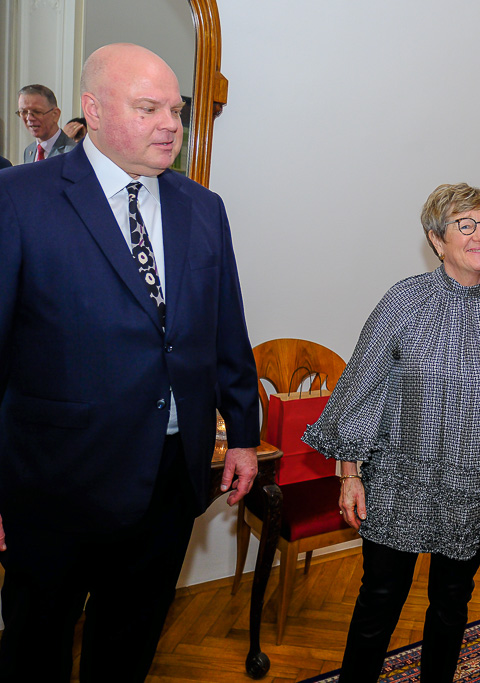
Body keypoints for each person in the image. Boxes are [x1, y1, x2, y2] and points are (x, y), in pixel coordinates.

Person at [0, 43, 260, 682]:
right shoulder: (19, 198)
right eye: (149, 109)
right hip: (54, 481)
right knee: (36, 648)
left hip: (169, 480)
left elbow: (226, 332)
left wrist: (243, 437)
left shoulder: (204, 208)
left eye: (176, 110)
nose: (171, 124)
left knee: (129, 645)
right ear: (93, 109)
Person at [303, 182, 480, 682]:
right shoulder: (403, 301)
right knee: (379, 603)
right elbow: (359, 392)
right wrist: (349, 476)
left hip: (473, 493)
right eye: (466, 225)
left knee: (451, 604)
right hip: (397, 488)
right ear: (437, 240)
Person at [16, 84, 76, 163]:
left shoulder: (72, 152)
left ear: (55, 114)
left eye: (37, 112)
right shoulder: (29, 151)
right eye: (23, 112)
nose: (29, 118)